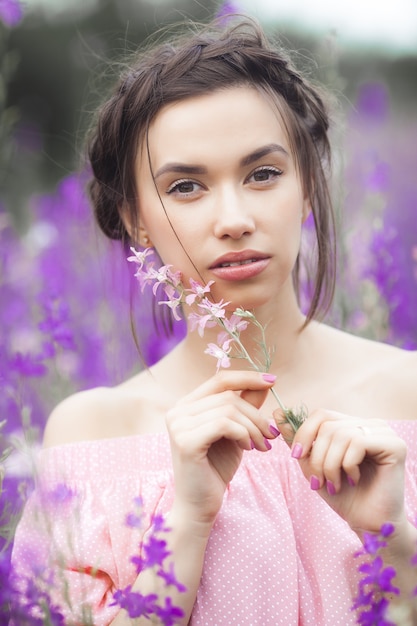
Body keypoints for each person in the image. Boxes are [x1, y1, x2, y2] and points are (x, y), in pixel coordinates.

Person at [11, 15, 417, 626]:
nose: (233, 217)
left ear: (307, 186)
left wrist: (393, 540)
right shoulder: (92, 434)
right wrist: (186, 522)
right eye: (186, 187)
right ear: (135, 219)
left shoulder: (404, 396)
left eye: (263, 174)